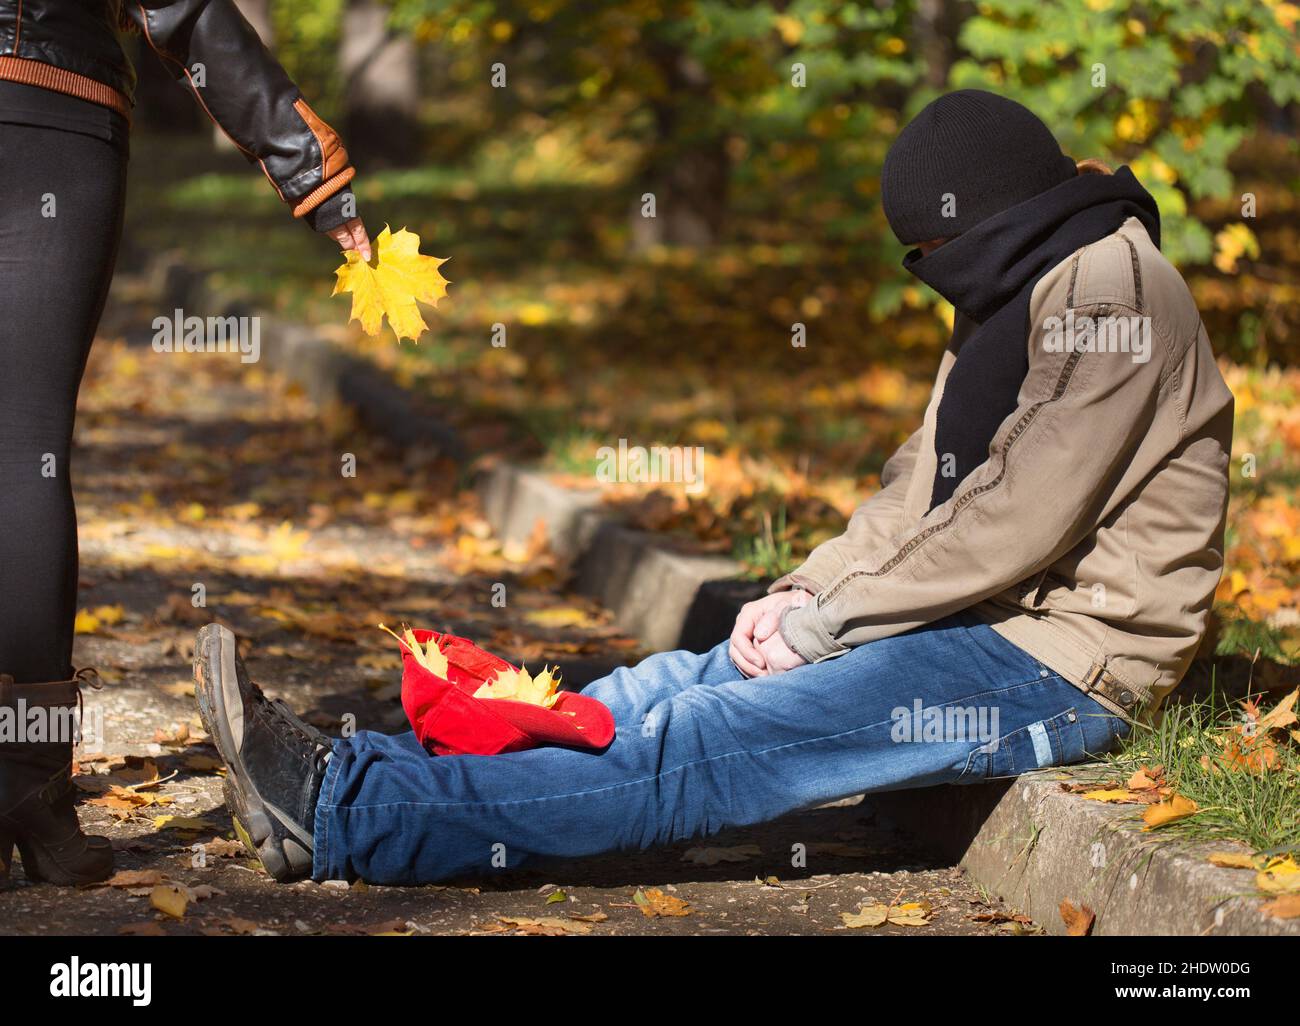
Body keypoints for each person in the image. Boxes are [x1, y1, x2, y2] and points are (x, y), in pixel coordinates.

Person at [200, 89, 1231, 886]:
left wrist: (830, 626)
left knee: (712, 742)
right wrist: (799, 593)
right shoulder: (1020, 278)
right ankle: (376, 769)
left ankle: (349, 812)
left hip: (1065, 659)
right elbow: (921, 484)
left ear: (989, 227)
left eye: (937, 254)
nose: (930, 273)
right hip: (976, 617)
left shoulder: (1114, 291)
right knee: (667, 689)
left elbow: (1019, 512)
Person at [0, 0, 370, 886]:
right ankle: (26, 785)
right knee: (21, 450)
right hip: (53, 105)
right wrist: (313, 172)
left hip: (55, 105)